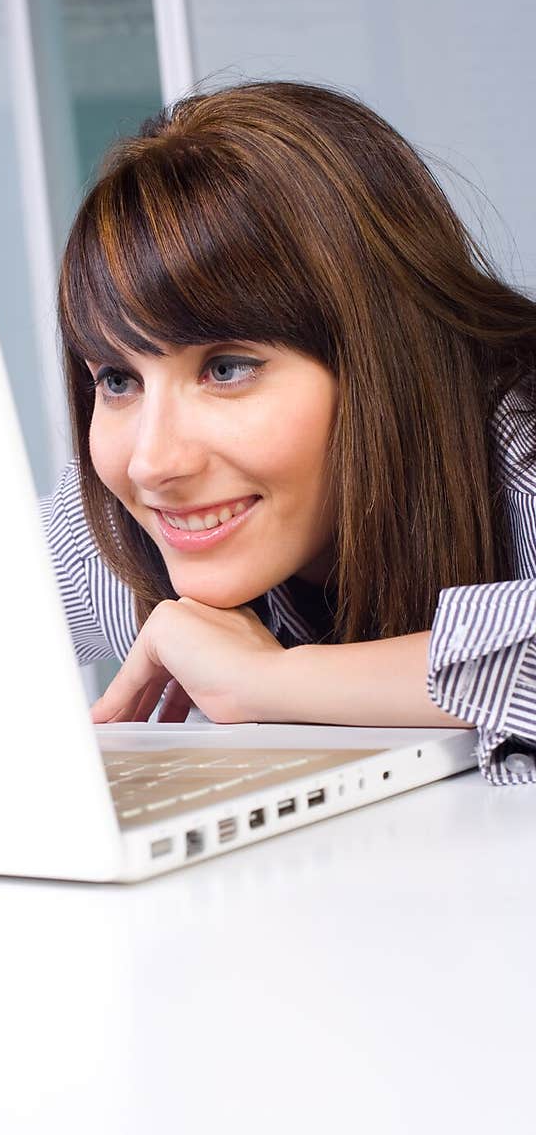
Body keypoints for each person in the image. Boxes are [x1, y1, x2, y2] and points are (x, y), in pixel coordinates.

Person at [38, 79, 536, 786]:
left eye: (228, 368)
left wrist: (267, 681)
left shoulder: (518, 441)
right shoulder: (121, 538)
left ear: (383, 356)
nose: (153, 462)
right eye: (118, 380)